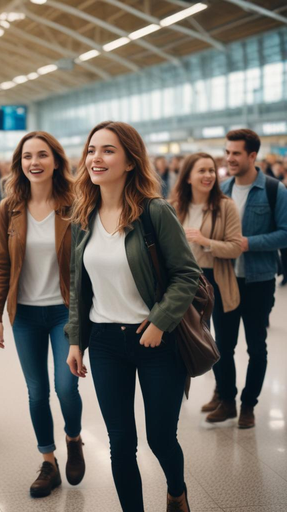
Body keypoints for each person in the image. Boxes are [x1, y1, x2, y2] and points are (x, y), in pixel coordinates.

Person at [66, 121, 200, 512]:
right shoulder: (82, 217)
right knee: (121, 441)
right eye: (92, 150)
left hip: (156, 339)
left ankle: (177, 491)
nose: (96, 158)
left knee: (160, 437)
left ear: (129, 161)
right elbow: (78, 285)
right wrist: (76, 339)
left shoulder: (154, 212)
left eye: (108, 150)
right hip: (106, 342)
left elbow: (187, 274)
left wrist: (160, 321)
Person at [0, 131, 85, 498]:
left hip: (64, 312)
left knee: (65, 386)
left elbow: (85, 263)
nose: (34, 162)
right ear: (19, 163)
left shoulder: (74, 205)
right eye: (27, 156)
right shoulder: (8, 208)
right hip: (24, 314)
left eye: (42, 155)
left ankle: (73, 437)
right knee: (36, 391)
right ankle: (48, 461)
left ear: (56, 161)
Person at [211, 129, 287, 428]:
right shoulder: (221, 190)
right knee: (222, 347)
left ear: (252, 156)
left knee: (256, 346)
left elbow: (285, 233)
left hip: (258, 279)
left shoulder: (273, 189)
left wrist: (247, 243)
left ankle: (248, 405)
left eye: (236, 153)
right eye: (227, 152)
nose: (229, 158)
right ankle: (227, 400)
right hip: (224, 279)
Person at [170, 153, 242, 415]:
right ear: (188, 176)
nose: (208, 175)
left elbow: (236, 247)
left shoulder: (225, 206)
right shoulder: (173, 206)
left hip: (216, 281)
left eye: (211, 170)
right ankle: (180, 397)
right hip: (184, 282)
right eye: (201, 170)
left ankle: (227, 400)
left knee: (222, 344)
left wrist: (205, 241)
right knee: (185, 340)